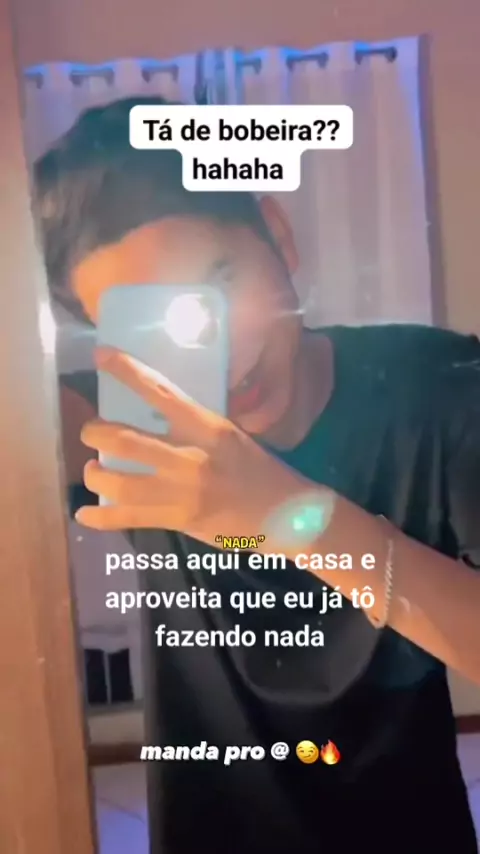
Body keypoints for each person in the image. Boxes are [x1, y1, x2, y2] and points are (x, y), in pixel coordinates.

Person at [35, 96, 480, 853]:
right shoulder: (127, 422)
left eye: (218, 281)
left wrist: (285, 514)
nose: (222, 350)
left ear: (277, 233)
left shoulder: (435, 386)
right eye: (149, 323)